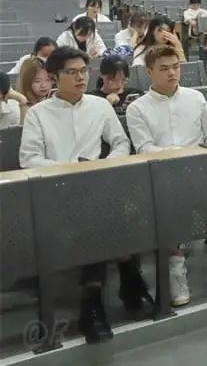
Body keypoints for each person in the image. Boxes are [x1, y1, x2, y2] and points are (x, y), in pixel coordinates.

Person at [19, 46, 145, 344]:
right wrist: (68, 169)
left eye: (84, 71)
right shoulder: (38, 114)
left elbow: (120, 142)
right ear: (54, 77)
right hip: (56, 191)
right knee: (98, 216)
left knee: (129, 207)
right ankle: (117, 284)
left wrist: (105, 164)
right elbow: (29, 158)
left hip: (98, 184)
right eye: (72, 72)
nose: (80, 78)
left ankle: (99, 296)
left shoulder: (99, 106)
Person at [126, 46, 207, 308]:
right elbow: (144, 147)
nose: (172, 73)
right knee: (166, 202)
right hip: (161, 175)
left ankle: (176, 259)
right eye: (164, 69)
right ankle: (176, 265)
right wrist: (179, 155)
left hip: (199, 171)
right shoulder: (137, 108)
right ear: (149, 72)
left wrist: (203, 155)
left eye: (176, 67)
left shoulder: (195, 98)